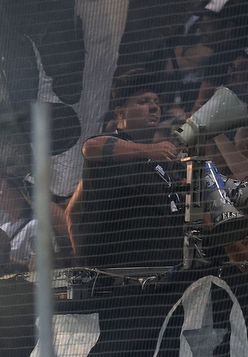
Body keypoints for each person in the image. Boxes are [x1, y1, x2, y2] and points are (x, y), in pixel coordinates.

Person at [66, 70, 183, 269]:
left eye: (156, 101)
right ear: (120, 112)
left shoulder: (157, 160)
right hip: (121, 277)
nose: (154, 107)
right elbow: (90, 146)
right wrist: (85, 264)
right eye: (143, 101)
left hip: (164, 272)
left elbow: (72, 211)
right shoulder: (114, 151)